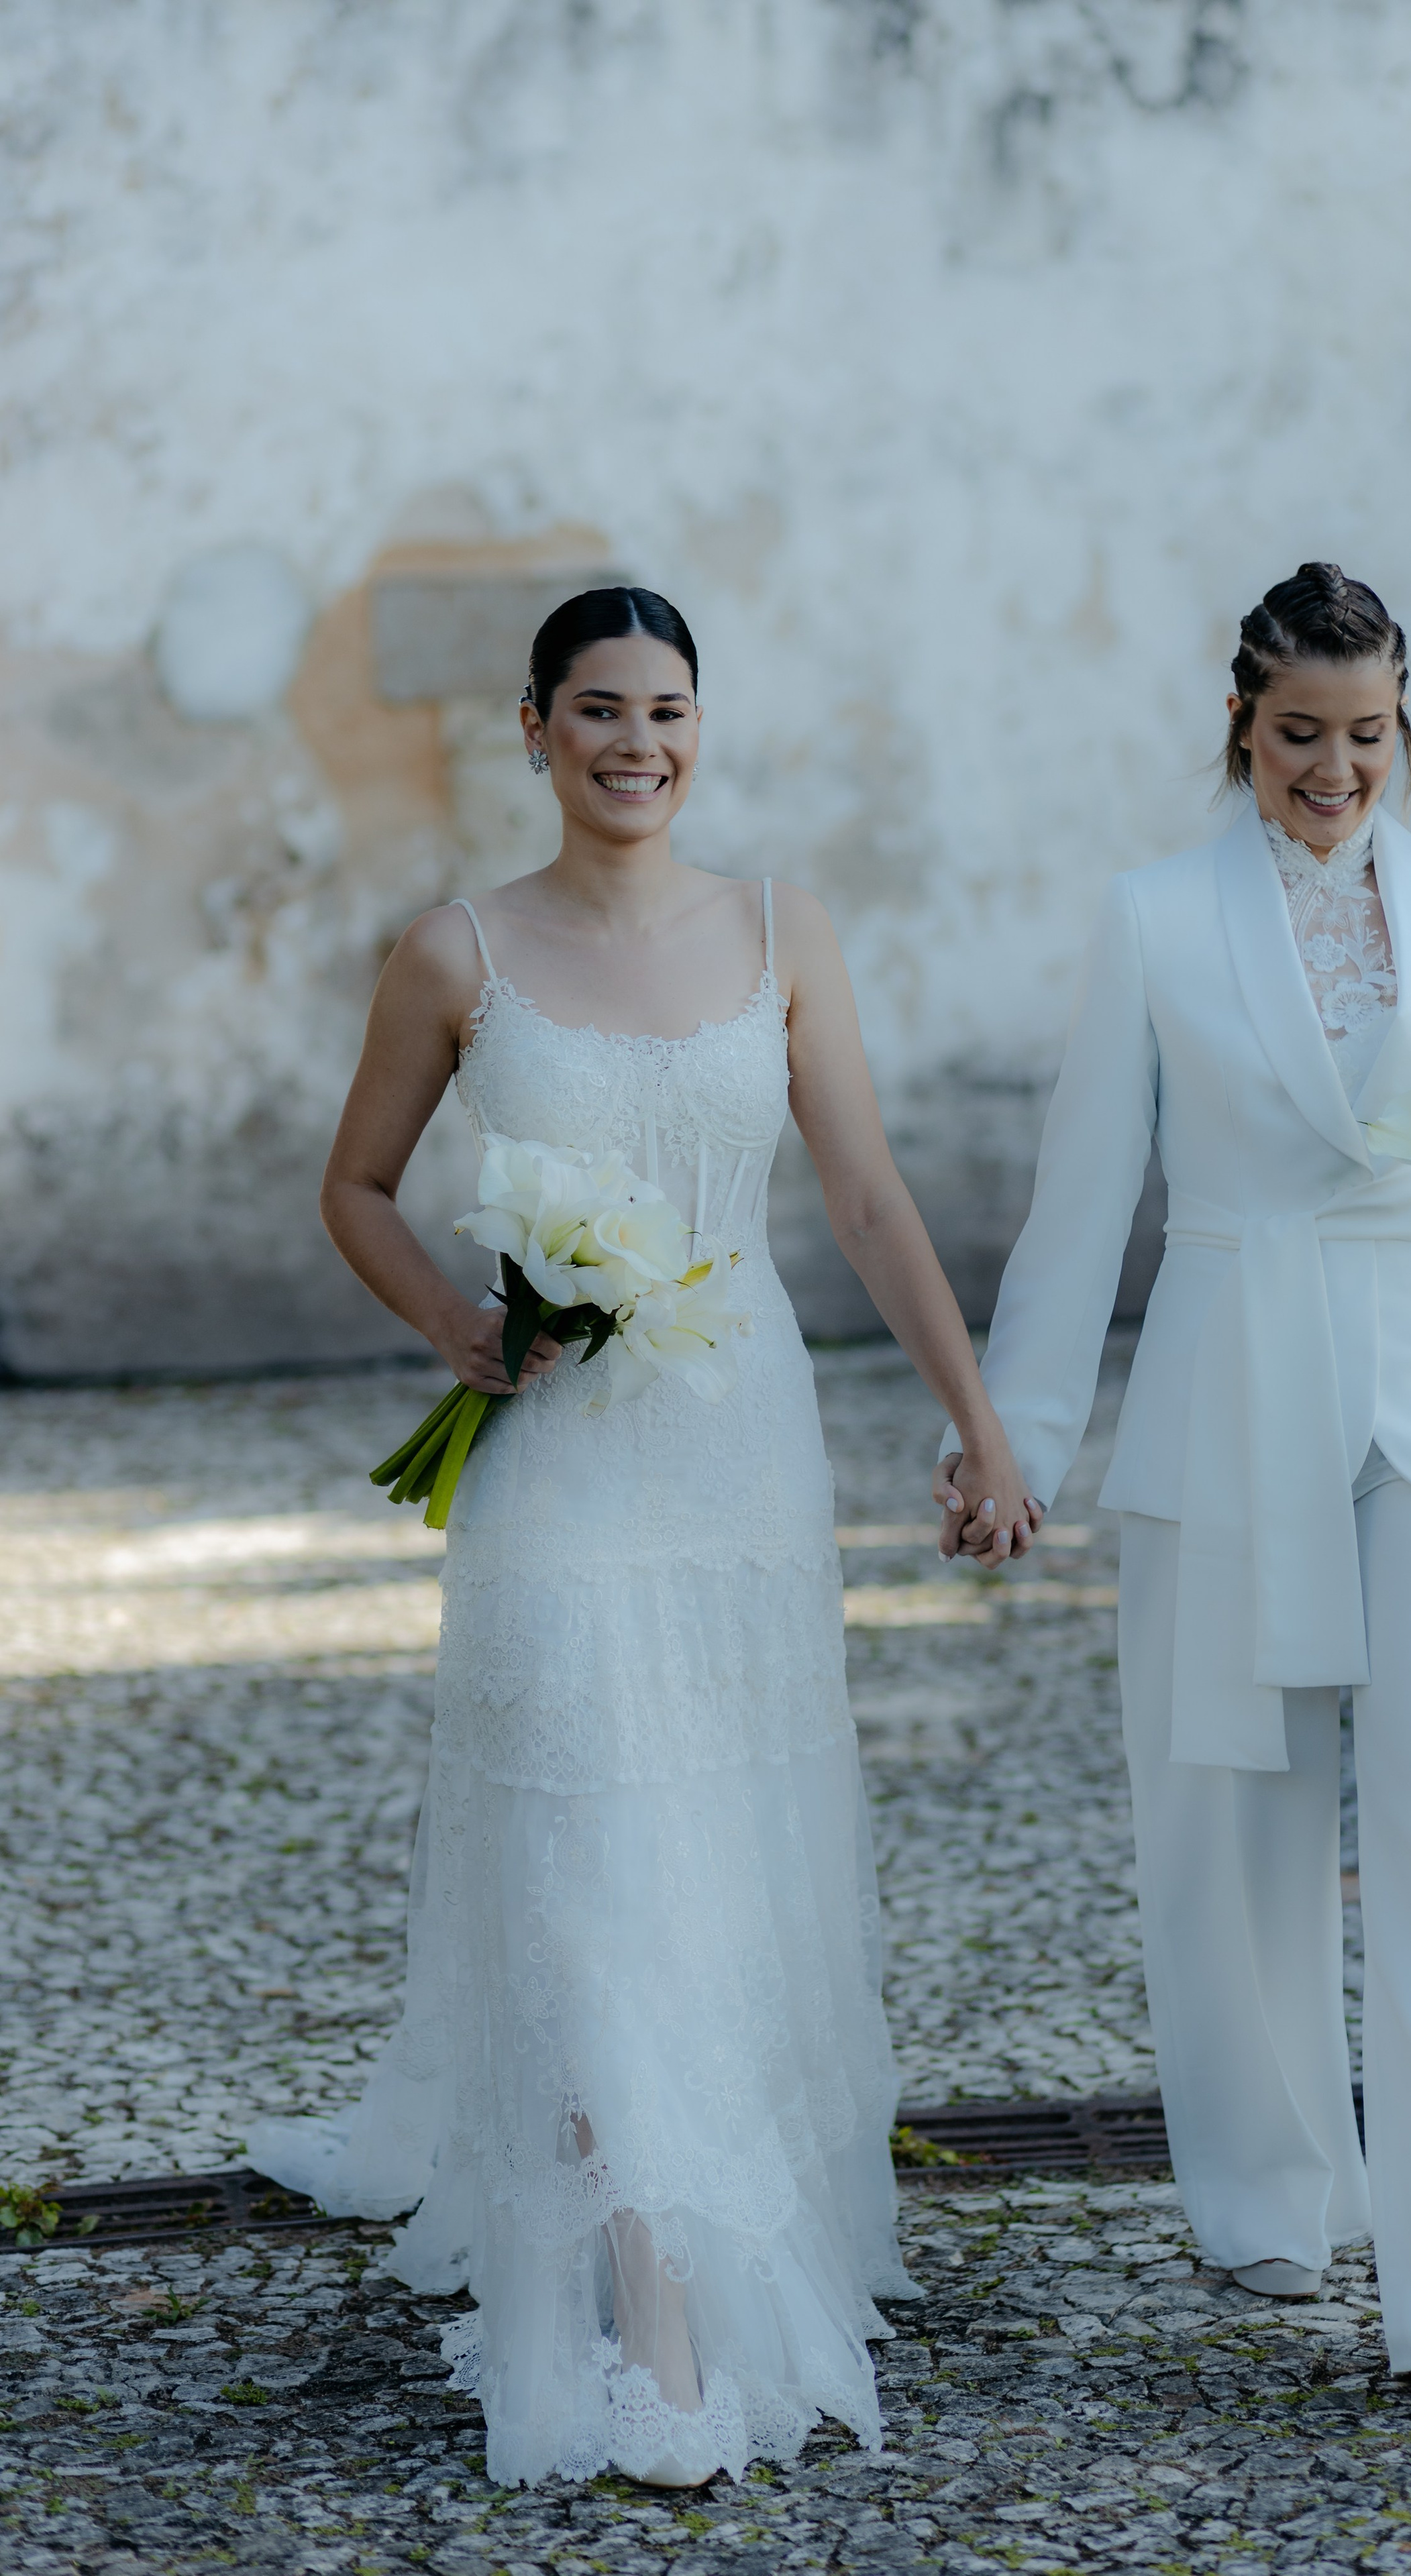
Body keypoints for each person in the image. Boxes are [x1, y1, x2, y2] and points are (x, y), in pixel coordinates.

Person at [250, 586, 1035, 2489]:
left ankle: (725, 2226)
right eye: (596, 709)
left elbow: (856, 1190)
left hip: (738, 1458)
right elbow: (355, 1186)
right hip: (562, 1478)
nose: (636, 744)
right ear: (532, 728)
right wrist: (454, 1326)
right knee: (591, 1858)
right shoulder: (457, 954)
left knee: (720, 1855)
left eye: (667, 710)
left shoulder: (782, 934)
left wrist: (978, 1420)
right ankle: (652, 2324)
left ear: (700, 727)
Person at [935, 563, 1411, 2425]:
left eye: (1367, 734)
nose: (1335, 768)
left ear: (1406, 724)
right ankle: (1272, 2191)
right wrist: (1019, 1438)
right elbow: (1084, 1210)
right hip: (1231, 1385)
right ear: (1243, 722)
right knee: (1232, 1821)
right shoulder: (1156, 919)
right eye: (1300, 733)